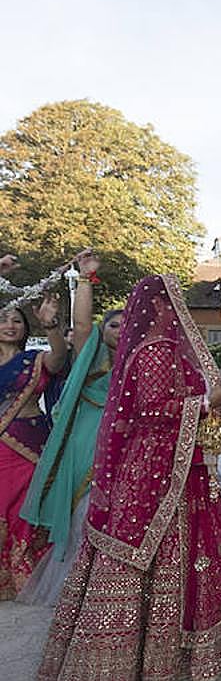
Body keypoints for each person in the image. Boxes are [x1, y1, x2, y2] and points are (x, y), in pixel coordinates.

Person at [36, 275, 221, 681]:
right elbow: (152, 411)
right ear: (160, 308)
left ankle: (146, 658)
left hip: (165, 463)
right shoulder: (156, 351)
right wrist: (209, 401)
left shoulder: (150, 350)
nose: (181, 313)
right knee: (153, 551)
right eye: (175, 303)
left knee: (155, 553)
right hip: (158, 467)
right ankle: (140, 663)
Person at [19, 252, 123, 605]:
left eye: (128, 324)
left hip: (126, 439)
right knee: (85, 509)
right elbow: (80, 326)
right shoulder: (91, 352)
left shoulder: (140, 358)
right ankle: (80, 582)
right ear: (102, 330)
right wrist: (85, 278)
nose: (121, 329)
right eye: (113, 324)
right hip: (88, 437)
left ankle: (113, 581)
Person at [1, 295, 67, 599]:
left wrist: (50, 325)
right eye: (3, 319)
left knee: (27, 509)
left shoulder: (36, 359)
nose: (10, 325)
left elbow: (59, 357)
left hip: (31, 444)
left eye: (16, 320)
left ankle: (29, 576)